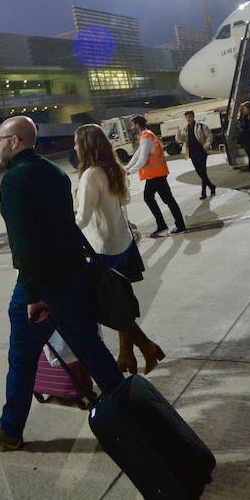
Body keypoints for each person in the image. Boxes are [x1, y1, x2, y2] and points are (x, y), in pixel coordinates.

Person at [0, 116, 124, 451]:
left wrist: (34, 294)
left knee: (22, 356)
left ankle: (10, 429)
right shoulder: (54, 173)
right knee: (89, 346)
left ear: (14, 141)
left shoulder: (14, 180)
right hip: (71, 275)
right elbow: (67, 228)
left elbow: (23, 243)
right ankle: (129, 407)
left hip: (39, 282)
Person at [73, 124, 166, 375]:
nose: (74, 147)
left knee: (109, 308)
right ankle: (127, 355)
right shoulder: (114, 168)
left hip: (103, 247)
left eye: (77, 143)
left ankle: (146, 346)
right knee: (120, 302)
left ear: (86, 146)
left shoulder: (91, 175)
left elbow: (81, 218)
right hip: (123, 243)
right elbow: (124, 202)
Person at [125, 115, 185, 237]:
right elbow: (137, 155)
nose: (131, 127)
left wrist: (129, 172)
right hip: (157, 174)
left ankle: (169, 224)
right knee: (166, 199)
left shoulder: (146, 137)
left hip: (156, 175)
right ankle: (172, 224)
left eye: (132, 125)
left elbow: (142, 159)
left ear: (137, 125)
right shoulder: (146, 135)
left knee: (151, 198)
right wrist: (127, 167)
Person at [175, 110, 216, 200]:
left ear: (193, 117)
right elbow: (180, 140)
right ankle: (211, 186)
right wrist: (178, 133)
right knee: (200, 172)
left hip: (201, 151)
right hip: (192, 153)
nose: (188, 119)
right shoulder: (185, 128)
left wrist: (206, 146)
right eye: (187, 117)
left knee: (202, 172)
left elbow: (209, 136)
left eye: (190, 117)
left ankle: (204, 192)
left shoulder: (201, 126)